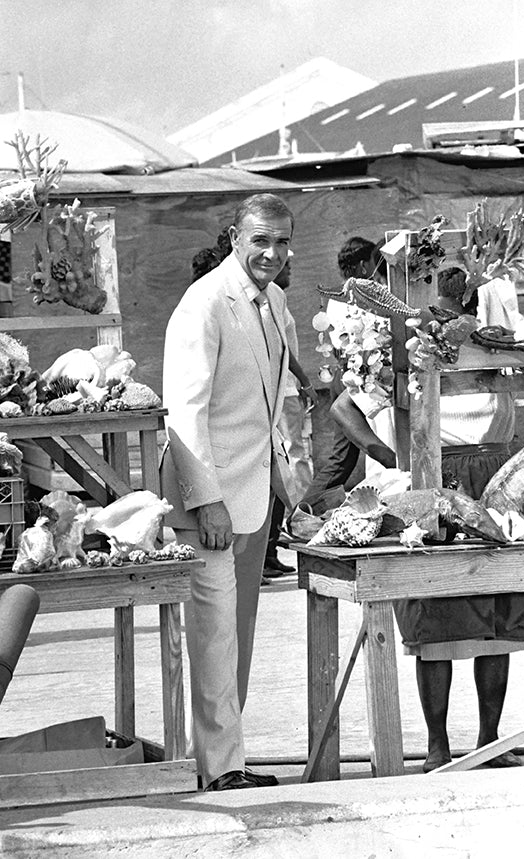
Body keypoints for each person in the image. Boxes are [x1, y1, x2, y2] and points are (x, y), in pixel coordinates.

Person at [330, 267, 524, 772]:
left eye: (464, 302)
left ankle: (491, 740)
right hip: (436, 481)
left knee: (501, 608)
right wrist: (389, 455)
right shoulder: (412, 347)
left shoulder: (500, 349)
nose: (456, 309)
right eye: (446, 302)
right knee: (437, 614)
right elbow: (345, 404)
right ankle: (437, 746)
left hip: (500, 480)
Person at [161, 193, 298, 791]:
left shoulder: (276, 303)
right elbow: (184, 413)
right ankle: (219, 769)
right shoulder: (204, 303)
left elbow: (277, 402)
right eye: (261, 240)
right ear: (234, 237)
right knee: (214, 633)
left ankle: (228, 759)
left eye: (282, 242)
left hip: (255, 493)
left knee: (237, 630)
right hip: (209, 501)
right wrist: (205, 499)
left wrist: (293, 476)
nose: (272, 252)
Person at [300, 236, 385, 513]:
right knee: (342, 459)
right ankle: (305, 509)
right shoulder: (362, 298)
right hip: (355, 380)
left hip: (346, 376)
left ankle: (306, 509)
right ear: (363, 266)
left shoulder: (337, 298)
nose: (376, 273)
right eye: (373, 265)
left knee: (343, 458)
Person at [263, 252, 315, 578]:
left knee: (284, 471)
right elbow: (283, 351)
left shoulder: (276, 299)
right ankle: (269, 546)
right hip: (282, 393)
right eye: (287, 266)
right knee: (284, 469)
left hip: (286, 392)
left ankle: (269, 549)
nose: (290, 271)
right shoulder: (268, 302)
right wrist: (306, 381)